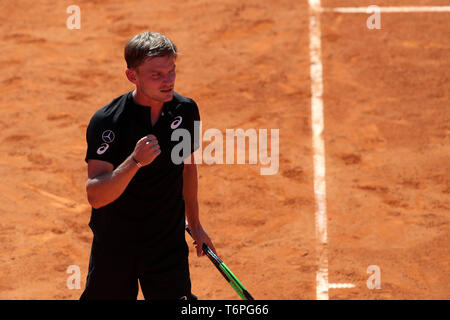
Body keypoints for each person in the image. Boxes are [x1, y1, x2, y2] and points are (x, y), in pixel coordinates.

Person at [80, 31, 216, 300]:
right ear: (132, 76)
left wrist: (196, 224)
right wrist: (134, 161)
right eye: (156, 75)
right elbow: (96, 196)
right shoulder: (108, 122)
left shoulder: (185, 111)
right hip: (116, 245)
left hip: (166, 243)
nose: (168, 82)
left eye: (171, 71)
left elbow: (188, 168)